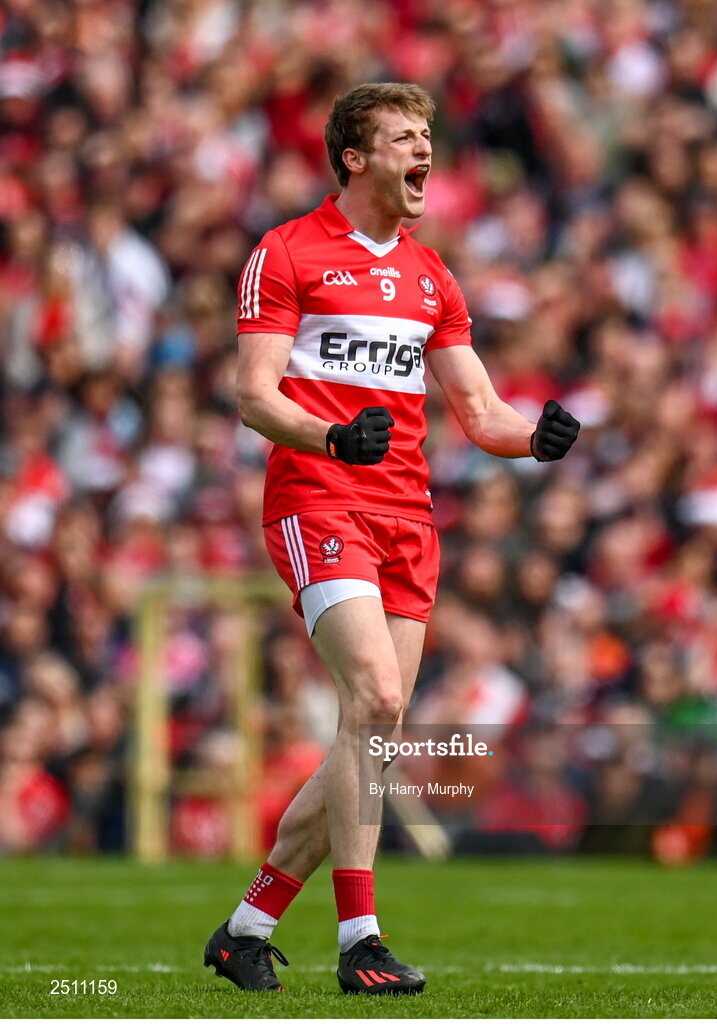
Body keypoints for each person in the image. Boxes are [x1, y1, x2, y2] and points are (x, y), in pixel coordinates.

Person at [203, 81, 580, 996]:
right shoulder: (286, 252)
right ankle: (360, 940)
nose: (426, 151)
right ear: (354, 158)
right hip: (318, 498)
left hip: (408, 517)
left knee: (369, 732)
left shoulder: (429, 274)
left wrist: (533, 437)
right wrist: (330, 437)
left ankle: (247, 926)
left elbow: (479, 409)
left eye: (428, 136)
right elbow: (254, 394)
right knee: (373, 698)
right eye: (405, 138)